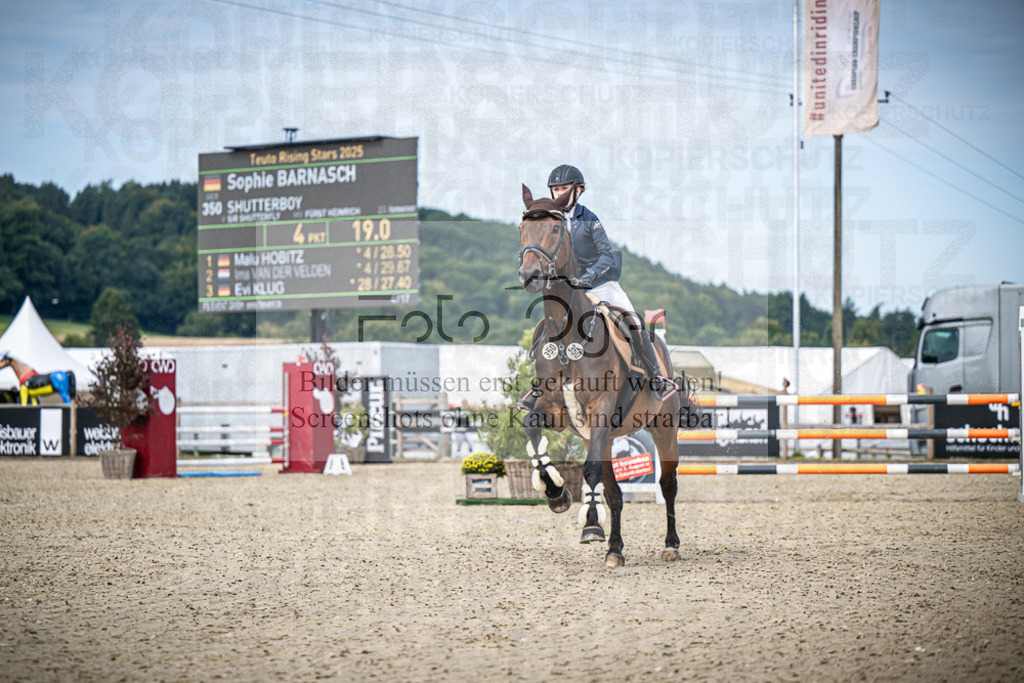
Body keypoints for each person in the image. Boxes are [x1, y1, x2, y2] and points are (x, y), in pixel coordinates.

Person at [519, 165, 678, 411]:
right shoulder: (548, 222)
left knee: (632, 321)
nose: (559, 193)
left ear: (578, 191)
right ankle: (541, 387)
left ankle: (656, 377)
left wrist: (591, 274)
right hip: (569, 289)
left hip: (601, 284)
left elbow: (606, 254)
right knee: (545, 329)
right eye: (556, 189)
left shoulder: (588, 219)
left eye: (564, 188)